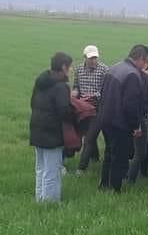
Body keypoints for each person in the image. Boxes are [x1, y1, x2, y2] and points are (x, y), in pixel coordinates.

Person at [98, 45, 148, 193]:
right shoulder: (133, 74)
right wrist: (135, 126)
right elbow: (130, 104)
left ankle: (104, 184)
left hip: (105, 118)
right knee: (120, 158)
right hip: (119, 123)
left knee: (109, 153)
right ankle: (115, 189)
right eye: (146, 62)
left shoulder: (114, 67)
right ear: (141, 58)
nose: (145, 66)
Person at [30, 52, 75, 202]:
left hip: (36, 129)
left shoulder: (41, 81)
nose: (70, 69)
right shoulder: (61, 86)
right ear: (63, 67)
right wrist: (75, 111)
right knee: (52, 171)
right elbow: (63, 111)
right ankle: (50, 204)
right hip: (52, 133)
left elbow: (32, 103)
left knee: (40, 169)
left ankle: (40, 199)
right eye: (69, 66)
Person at [72, 45, 108, 174]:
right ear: (85, 58)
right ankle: (95, 158)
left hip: (97, 108)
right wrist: (74, 94)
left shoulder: (104, 69)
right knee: (88, 135)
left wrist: (93, 96)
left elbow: (106, 90)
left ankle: (81, 169)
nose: (93, 61)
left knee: (89, 138)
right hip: (82, 108)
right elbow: (76, 86)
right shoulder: (79, 69)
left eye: (95, 58)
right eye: (91, 58)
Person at [127, 64, 148, 182]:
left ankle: (124, 174)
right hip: (140, 118)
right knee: (140, 152)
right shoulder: (143, 77)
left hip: (125, 117)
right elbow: (142, 101)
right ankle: (131, 179)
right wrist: (138, 125)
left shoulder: (126, 74)